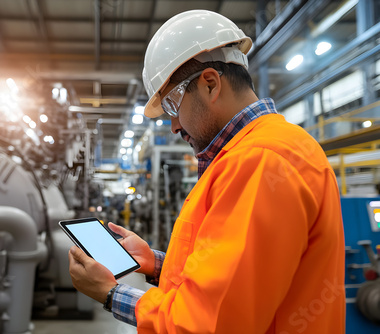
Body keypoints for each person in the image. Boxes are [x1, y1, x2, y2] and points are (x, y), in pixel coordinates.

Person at [69, 9, 345, 333]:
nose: (173, 126)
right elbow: (232, 276)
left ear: (210, 84)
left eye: (172, 105)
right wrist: (155, 262)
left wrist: (111, 294)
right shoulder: (253, 153)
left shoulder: (260, 161)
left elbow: (209, 324)